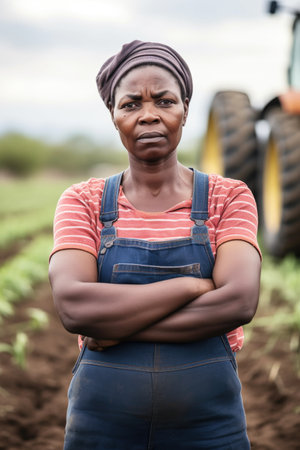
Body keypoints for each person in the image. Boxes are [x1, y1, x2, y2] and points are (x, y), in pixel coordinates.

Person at [49, 40, 261, 449]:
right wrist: (191, 286)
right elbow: (74, 307)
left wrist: (115, 327)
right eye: (130, 105)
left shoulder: (228, 197)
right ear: (113, 116)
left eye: (164, 100)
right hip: (101, 428)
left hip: (211, 428)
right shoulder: (84, 201)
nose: (148, 115)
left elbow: (238, 302)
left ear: (185, 108)